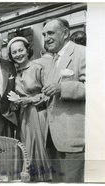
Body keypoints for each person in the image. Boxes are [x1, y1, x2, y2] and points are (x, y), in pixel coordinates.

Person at [41, 18, 86, 182]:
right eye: (44, 34)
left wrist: (62, 88)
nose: (46, 38)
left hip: (73, 138)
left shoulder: (82, 53)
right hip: (54, 138)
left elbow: (96, 89)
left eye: (50, 33)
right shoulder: (54, 58)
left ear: (66, 33)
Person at [7, 36, 52, 181]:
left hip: (37, 115)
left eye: (21, 50)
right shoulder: (13, 72)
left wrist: (27, 100)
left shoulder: (38, 68)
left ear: (28, 50)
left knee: (39, 149)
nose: (18, 54)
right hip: (23, 116)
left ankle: (43, 180)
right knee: (25, 149)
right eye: (14, 52)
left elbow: (47, 94)